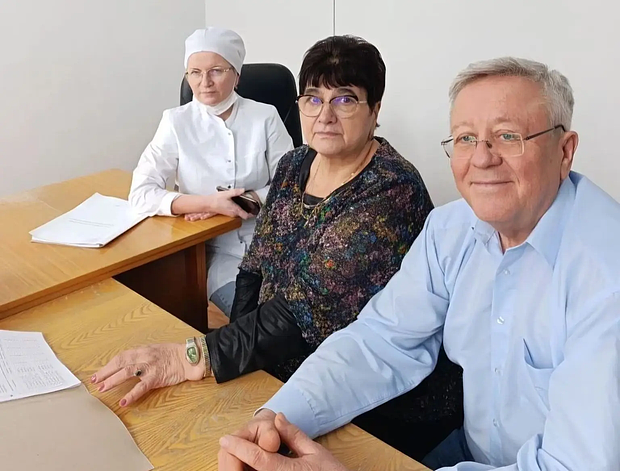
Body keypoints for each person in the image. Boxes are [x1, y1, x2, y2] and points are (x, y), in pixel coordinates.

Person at [217, 57, 620, 471]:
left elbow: (574, 464)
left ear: (564, 151)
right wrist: (276, 419)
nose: (482, 159)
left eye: (507, 136)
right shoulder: (451, 229)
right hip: (472, 451)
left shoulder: (606, 274)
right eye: (465, 138)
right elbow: (380, 340)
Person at [92, 35, 462, 459]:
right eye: (313, 99)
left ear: (374, 111)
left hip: (369, 399)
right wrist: (237, 368)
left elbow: (302, 310)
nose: (325, 115)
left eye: (345, 100)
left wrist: (194, 357)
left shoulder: (390, 189)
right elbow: (254, 267)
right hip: (283, 372)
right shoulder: (294, 164)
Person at [128, 27, 293, 316]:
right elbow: (141, 194)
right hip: (214, 251)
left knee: (304, 312)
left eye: (216, 71)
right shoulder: (175, 122)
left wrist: (246, 201)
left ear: (236, 74)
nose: (204, 82)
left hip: (272, 241)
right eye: (195, 73)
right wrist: (207, 204)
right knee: (254, 320)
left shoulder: (265, 116)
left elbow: (293, 184)